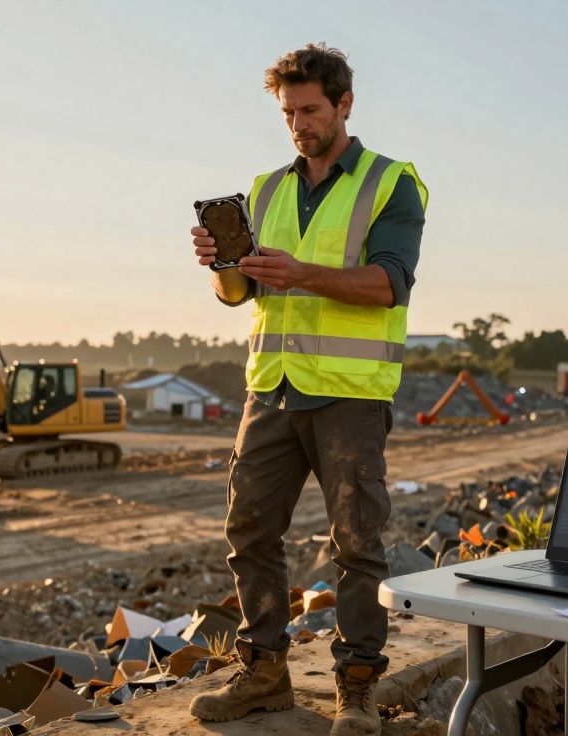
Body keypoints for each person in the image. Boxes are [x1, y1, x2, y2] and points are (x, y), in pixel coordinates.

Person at [187, 43, 427, 736]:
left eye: (311, 110)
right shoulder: (265, 190)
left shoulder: (391, 183)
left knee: (356, 543)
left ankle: (356, 689)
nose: (298, 124)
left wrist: (302, 274)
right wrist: (219, 265)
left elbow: (388, 283)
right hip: (272, 388)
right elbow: (240, 293)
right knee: (249, 532)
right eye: (288, 112)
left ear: (345, 104)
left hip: (350, 394)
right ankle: (263, 673)